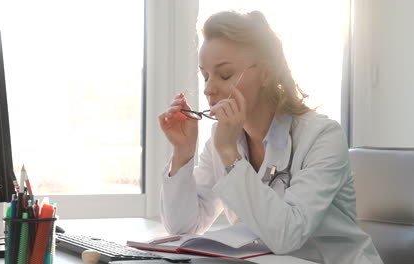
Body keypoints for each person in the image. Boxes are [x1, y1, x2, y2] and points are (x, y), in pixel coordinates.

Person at [157, 10, 383, 264]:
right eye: (205, 76)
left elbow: (287, 236)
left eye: (224, 75)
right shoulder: (223, 140)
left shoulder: (321, 137)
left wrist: (230, 155)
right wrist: (183, 154)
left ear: (266, 72)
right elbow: (183, 227)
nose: (209, 89)